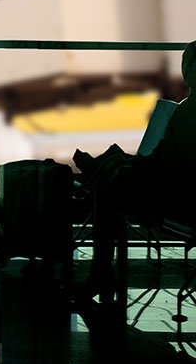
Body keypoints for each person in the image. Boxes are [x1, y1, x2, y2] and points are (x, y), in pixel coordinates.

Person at [71, 41, 196, 301]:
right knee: (116, 175)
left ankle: (101, 274)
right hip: (180, 193)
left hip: (179, 204)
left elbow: (169, 168)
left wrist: (132, 168)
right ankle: (105, 167)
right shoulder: (188, 110)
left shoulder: (189, 111)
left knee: (109, 190)